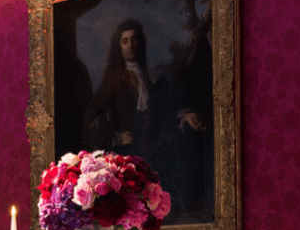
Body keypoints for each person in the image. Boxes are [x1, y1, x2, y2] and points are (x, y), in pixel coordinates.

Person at [83, 19, 207, 219]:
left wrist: (185, 117)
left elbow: (158, 112)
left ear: (140, 43)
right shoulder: (114, 79)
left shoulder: (144, 75)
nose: (130, 45)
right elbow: (92, 114)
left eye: (134, 40)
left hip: (150, 151)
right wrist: (115, 138)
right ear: (119, 46)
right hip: (126, 155)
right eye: (124, 41)